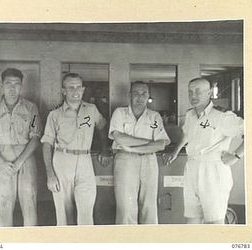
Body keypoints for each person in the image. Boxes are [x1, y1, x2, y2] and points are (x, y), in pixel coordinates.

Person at [164, 77, 244, 224]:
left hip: (213, 171)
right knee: (192, 220)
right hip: (192, 168)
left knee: (214, 222)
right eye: (190, 92)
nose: (193, 95)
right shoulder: (190, 114)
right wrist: (175, 151)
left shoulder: (222, 116)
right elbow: (187, 135)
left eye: (198, 91)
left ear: (209, 93)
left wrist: (235, 156)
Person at [41, 73, 110, 226]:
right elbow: (47, 144)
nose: (75, 91)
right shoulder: (54, 115)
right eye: (71, 87)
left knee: (86, 211)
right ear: (63, 91)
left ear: (83, 89)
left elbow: (102, 127)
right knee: (64, 213)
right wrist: (50, 174)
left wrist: (105, 149)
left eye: (78, 87)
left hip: (85, 161)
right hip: (62, 161)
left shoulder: (91, 110)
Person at [0, 68, 41, 227]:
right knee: (4, 204)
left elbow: (35, 138)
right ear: (1, 85)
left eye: (17, 84)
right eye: (8, 84)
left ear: (22, 86)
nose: (12, 88)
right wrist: (1, 162)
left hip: (26, 157)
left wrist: (20, 162)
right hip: (1, 158)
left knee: (29, 203)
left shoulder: (31, 108)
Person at [108, 81, 170, 224]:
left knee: (149, 206)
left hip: (149, 161)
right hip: (125, 160)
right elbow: (119, 137)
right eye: (136, 93)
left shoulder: (154, 116)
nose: (140, 97)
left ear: (148, 96)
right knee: (126, 207)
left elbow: (161, 144)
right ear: (129, 95)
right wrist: (149, 142)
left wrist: (133, 147)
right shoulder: (120, 113)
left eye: (144, 94)